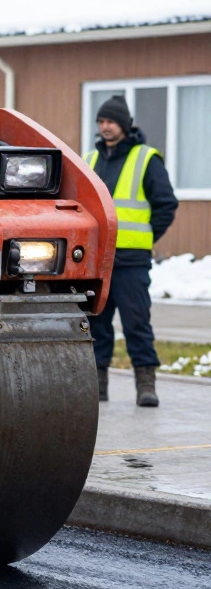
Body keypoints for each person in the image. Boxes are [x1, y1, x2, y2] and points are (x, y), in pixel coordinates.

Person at [85, 95, 179, 407]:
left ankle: (146, 385)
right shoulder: (90, 160)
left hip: (132, 260)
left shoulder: (146, 158)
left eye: (110, 121)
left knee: (136, 322)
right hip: (99, 260)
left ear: (124, 125)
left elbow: (165, 204)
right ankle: (97, 386)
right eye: (100, 122)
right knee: (96, 323)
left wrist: (148, 236)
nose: (104, 127)